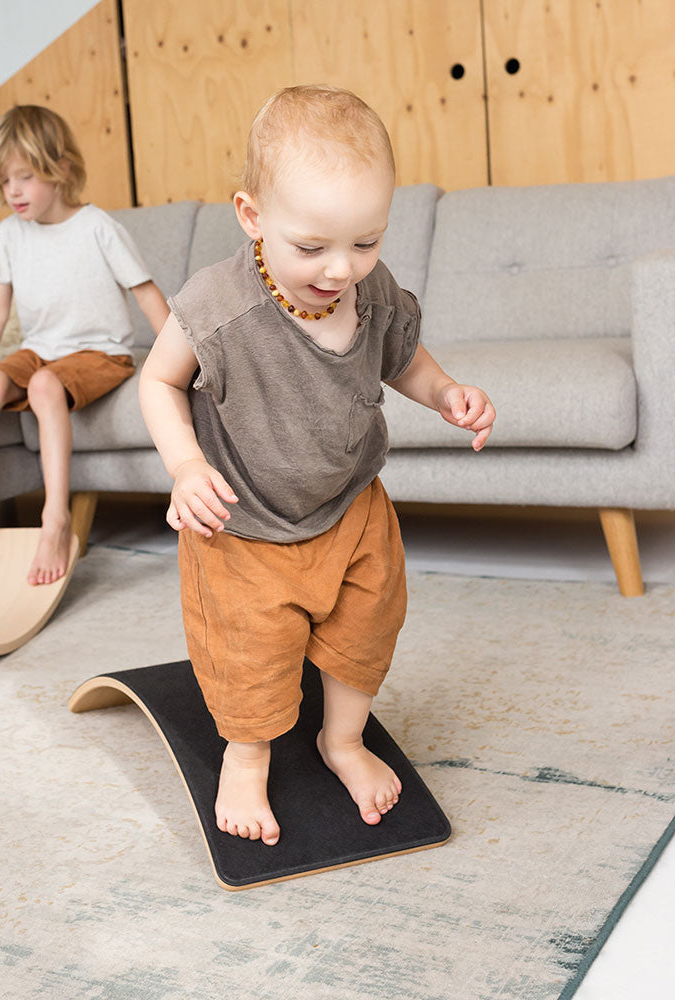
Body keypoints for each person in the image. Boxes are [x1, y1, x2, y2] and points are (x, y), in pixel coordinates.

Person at [139, 85, 495, 846]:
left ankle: (342, 741)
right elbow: (158, 380)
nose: (341, 269)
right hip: (245, 521)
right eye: (312, 248)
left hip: (352, 506)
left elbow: (405, 359)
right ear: (252, 216)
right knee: (252, 652)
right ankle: (246, 755)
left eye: (366, 242)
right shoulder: (218, 306)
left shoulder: (373, 289)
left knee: (367, 622)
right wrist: (184, 464)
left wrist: (446, 393)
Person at [0, 105, 169, 585]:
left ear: (62, 169)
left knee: (46, 385)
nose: (13, 192)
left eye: (25, 177)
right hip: (40, 350)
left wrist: (182, 359)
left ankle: (55, 518)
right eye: (5, 182)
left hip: (99, 353)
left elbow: (146, 293)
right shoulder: (10, 234)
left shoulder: (98, 228)